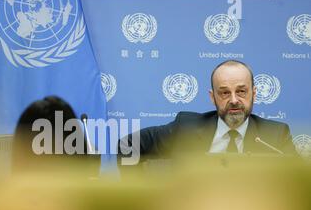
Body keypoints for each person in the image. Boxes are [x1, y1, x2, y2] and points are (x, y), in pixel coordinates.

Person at [119, 60, 297, 161]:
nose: (234, 100)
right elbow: (128, 144)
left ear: (254, 94)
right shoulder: (186, 128)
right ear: (213, 97)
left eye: (241, 91)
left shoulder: (275, 135)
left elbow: (299, 185)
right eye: (224, 93)